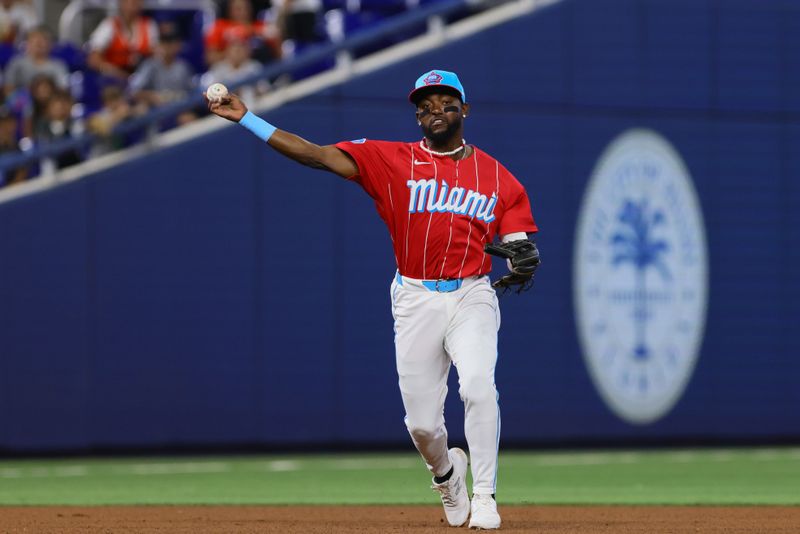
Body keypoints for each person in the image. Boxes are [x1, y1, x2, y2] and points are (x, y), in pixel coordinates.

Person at [206, 69, 540, 530]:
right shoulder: (390, 160)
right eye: (425, 104)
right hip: (415, 296)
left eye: (445, 102)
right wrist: (248, 119)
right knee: (422, 425)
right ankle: (446, 475)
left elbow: (519, 240)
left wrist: (523, 255)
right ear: (417, 116)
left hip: (471, 293)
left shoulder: (498, 176)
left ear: (464, 109)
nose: (434, 110)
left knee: (478, 386)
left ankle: (485, 495)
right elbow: (317, 156)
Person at [87, 0, 159, 81]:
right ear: (120, 4)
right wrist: (118, 74)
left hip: (141, 80)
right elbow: (93, 60)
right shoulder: (109, 25)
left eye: (135, 3)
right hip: (113, 79)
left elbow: (156, 56)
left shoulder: (149, 25)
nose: (130, 7)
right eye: (127, 2)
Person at [204, 0, 281, 66]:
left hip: (257, 70)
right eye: (238, 9)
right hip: (227, 70)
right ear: (230, 10)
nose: (243, 12)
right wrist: (230, 54)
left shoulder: (260, 26)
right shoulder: (220, 27)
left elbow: (279, 55)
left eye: (246, 8)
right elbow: (210, 58)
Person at [3, 26, 70, 97]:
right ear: (28, 43)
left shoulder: (59, 65)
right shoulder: (16, 63)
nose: (40, 44)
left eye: (44, 40)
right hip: (22, 103)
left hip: (49, 102)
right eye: (36, 41)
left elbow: (63, 90)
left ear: (51, 44)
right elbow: (8, 89)